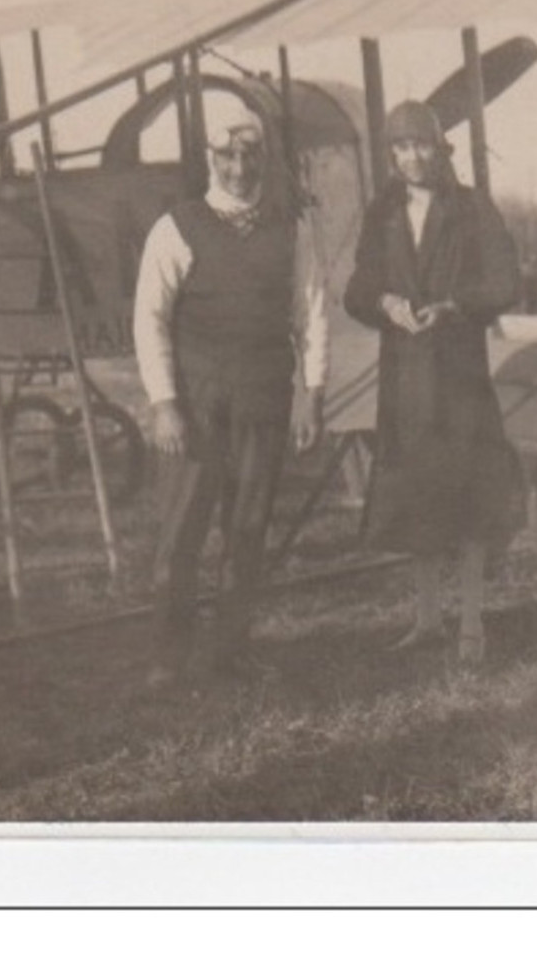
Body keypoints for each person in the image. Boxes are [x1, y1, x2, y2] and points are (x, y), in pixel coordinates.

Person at [134, 89, 328, 687]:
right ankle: (170, 658)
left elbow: (312, 313)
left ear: (265, 160)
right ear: (210, 159)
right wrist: (165, 404)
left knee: (247, 530)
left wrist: (309, 394)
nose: (239, 170)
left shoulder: (291, 228)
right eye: (227, 158)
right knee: (182, 532)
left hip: (263, 401)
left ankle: (230, 650)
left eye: (250, 158)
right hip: (196, 406)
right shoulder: (177, 228)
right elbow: (149, 317)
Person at [344, 100, 523, 665]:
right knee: (417, 497)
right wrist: (385, 301)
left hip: (459, 376)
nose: (411, 157)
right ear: (391, 155)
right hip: (406, 379)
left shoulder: (471, 209)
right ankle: (426, 618)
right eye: (400, 147)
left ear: (439, 148)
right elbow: (356, 289)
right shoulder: (382, 213)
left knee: (469, 497)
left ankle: (471, 622)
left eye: (421, 144)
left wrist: (453, 305)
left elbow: (506, 283)